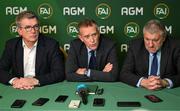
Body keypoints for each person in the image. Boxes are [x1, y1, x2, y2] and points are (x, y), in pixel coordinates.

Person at [0, 11, 65, 90]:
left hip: (42, 89)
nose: (33, 31)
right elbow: (1, 70)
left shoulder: (51, 45)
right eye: (28, 27)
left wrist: (35, 80)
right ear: (20, 31)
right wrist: (15, 81)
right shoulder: (11, 45)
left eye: (36, 26)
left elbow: (59, 73)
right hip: (18, 88)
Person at [120, 19, 180, 90]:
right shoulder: (135, 46)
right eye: (147, 39)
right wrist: (143, 82)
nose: (150, 45)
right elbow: (124, 73)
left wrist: (164, 82)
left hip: (167, 91)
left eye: (155, 40)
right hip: (140, 91)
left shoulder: (176, 46)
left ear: (163, 38)